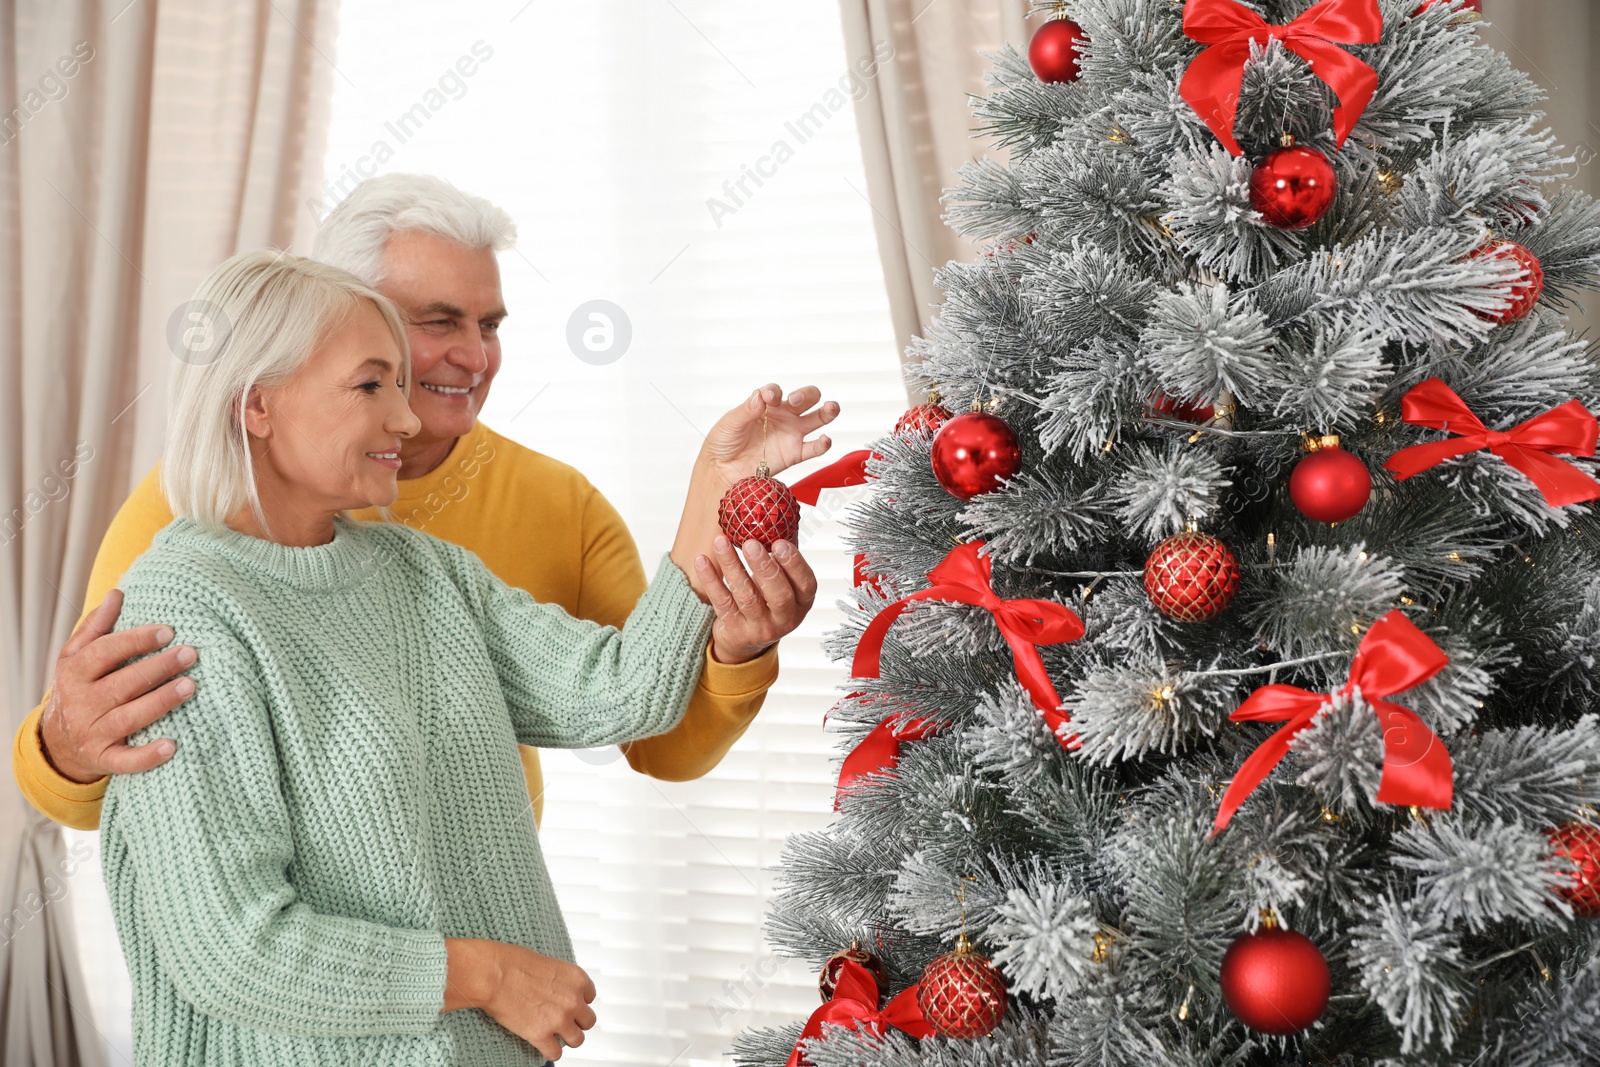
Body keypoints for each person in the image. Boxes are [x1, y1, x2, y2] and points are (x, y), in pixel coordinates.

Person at [102, 249, 826, 1065]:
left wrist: (714, 487)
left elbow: (623, 689)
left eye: (402, 387)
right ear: (257, 404)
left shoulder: (419, 570)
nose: (408, 421)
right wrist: (484, 975)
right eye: (371, 385)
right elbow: (230, 948)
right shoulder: (180, 610)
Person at [15, 172, 839, 832]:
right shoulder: (196, 510)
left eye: (490, 323)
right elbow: (94, 793)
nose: (474, 356)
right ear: (339, 314)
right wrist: (68, 742)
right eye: (438, 321)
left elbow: (653, 726)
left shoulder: (553, 506)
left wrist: (734, 644)